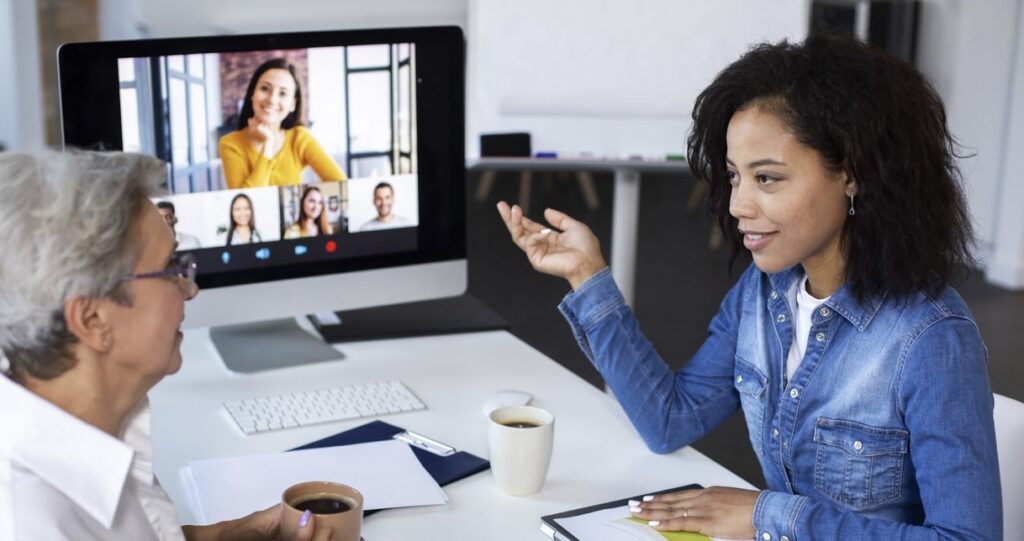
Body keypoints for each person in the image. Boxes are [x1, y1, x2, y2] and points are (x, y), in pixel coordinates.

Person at [497, 34, 1001, 540]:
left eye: (768, 179)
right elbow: (669, 421)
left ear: (852, 175)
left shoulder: (932, 339)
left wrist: (770, 514)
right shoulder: (763, 293)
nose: (738, 205)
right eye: (735, 176)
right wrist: (588, 277)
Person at [0, 150, 320, 540]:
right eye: (172, 269)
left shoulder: (93, 424)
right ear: (92, 320)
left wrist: (224, 534)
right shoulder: (29, 523)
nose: (190, 288)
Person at [218, 58, 346, 189]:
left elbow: (342, 185)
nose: (272, 99)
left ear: (292, 104)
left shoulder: (300, 138)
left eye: (283, 93)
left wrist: (310, 202)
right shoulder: (230, 143)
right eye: (265, 88)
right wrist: (267, 145)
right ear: (252, 93)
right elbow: (246, 203)